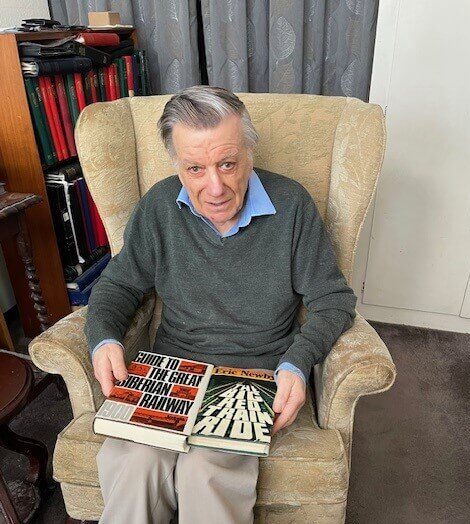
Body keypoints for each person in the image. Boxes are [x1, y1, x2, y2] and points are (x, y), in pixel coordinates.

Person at [85, 85, 357, 524]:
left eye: (228, 164)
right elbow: (117, 285)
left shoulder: (292, 205)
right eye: (194, 168)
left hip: (251, 376)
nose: (215, 187)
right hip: (168, 372)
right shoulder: (158, 205)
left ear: (250, 150)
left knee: (205, 471)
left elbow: (334, 301)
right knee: (135, 464)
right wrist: (103, 339)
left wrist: (297, 363)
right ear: (177, 164)